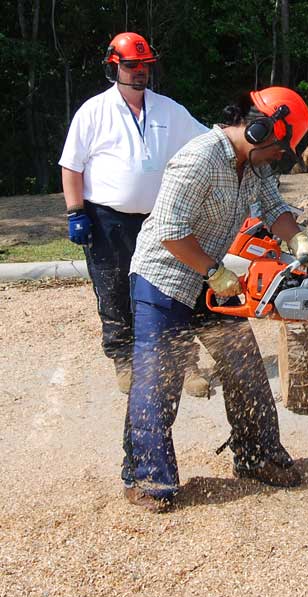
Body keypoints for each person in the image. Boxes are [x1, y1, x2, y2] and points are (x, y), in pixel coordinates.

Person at [123, 86, 308, 512]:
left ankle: (256, 456)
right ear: (260, 129)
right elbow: (170, 232)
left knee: (244, 364)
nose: (279, 156)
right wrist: (213, 271)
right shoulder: (199, 158)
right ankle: (146, 477)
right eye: (279, 148)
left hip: (212, 277)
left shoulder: (251, 164)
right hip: (166, 277)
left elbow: (273, 207)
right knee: (161, 376)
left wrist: (298, 238)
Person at [59, 32, 208, 393]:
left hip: (161, 221)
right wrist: (75, 211)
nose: (140, 72)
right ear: (114, 67)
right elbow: (71, 165)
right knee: (113, 293)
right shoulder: (93, 112)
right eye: (131, 65)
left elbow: (206, 143)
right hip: (107, 219)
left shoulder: (170, 111)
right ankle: (125, 361)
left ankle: (185, 363)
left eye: (145, 66)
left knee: (174, 289)